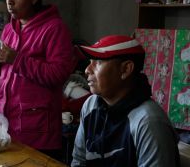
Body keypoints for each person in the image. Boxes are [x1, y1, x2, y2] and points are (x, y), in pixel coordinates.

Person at [0, 0, 77, 159]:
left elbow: (58, 74)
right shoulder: (10, 28)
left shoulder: (54, 28)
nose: (9, 2)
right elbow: (2, 74)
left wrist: (16, 59)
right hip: (8, 124)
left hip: (38, 130)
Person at [71, 35, 180, 167]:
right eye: (90, 61)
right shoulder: (91, 105)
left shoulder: (149, 122)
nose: (87, 70)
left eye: (98, 62)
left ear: (126, 69)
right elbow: (79, 161)